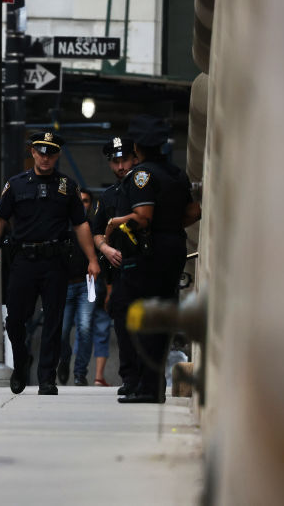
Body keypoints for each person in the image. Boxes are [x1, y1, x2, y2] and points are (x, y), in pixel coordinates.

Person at [0, 132, 100, 395]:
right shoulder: (16, 184)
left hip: (55, 261)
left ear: (57, 155)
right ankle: (22, 360)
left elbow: (81, 225)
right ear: (33, 153)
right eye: (41, 152)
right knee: (15, 318)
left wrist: (92, 259)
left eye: (51, 152)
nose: (46, 157)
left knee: (53, 320)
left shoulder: (67, 187)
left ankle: (46, 377)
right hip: (23, 260)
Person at [104, 116, 201, 403]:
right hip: (173, 248)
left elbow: (142, 217)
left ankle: (147, 387)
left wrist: (113, 224)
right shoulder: (177, 173)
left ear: (137, 147)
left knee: (139, 316)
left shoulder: (141, 175)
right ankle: (153, 385)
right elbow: (194, 212)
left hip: (149, 253)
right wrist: (169, 226)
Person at [91, 136, 141, 394]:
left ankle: (146, 375)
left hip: (146, 263)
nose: (120, 167)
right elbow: (97, 231)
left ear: (134, 158)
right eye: (115, 162)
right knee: (122, 324)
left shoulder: (144, 185)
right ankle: (130, 377)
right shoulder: (108, 195)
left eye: (124, 160)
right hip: (119, 266)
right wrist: (105, 248)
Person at [57, 188, 96, 386]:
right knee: (62, 332)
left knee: (85, 329)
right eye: (79, 200)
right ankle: (64, 360)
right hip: (64, 285)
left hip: (86, 284)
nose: (82, 204)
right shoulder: (61, 225)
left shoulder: (93, 226)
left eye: (86, 201)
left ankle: (80, 374)